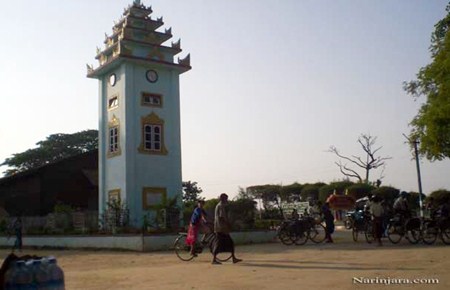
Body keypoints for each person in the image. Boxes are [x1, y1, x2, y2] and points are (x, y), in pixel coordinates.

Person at [211, 193, 242, 265]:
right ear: (223, 199)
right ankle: (214, 259)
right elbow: (222, 217)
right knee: (220, 244)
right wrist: (228, 224)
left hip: (220, 228)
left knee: (226, 243)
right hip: (221, 229)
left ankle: (233, 258)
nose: (227, 200)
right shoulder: (221, 206)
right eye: (226, 198)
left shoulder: (218, 205)